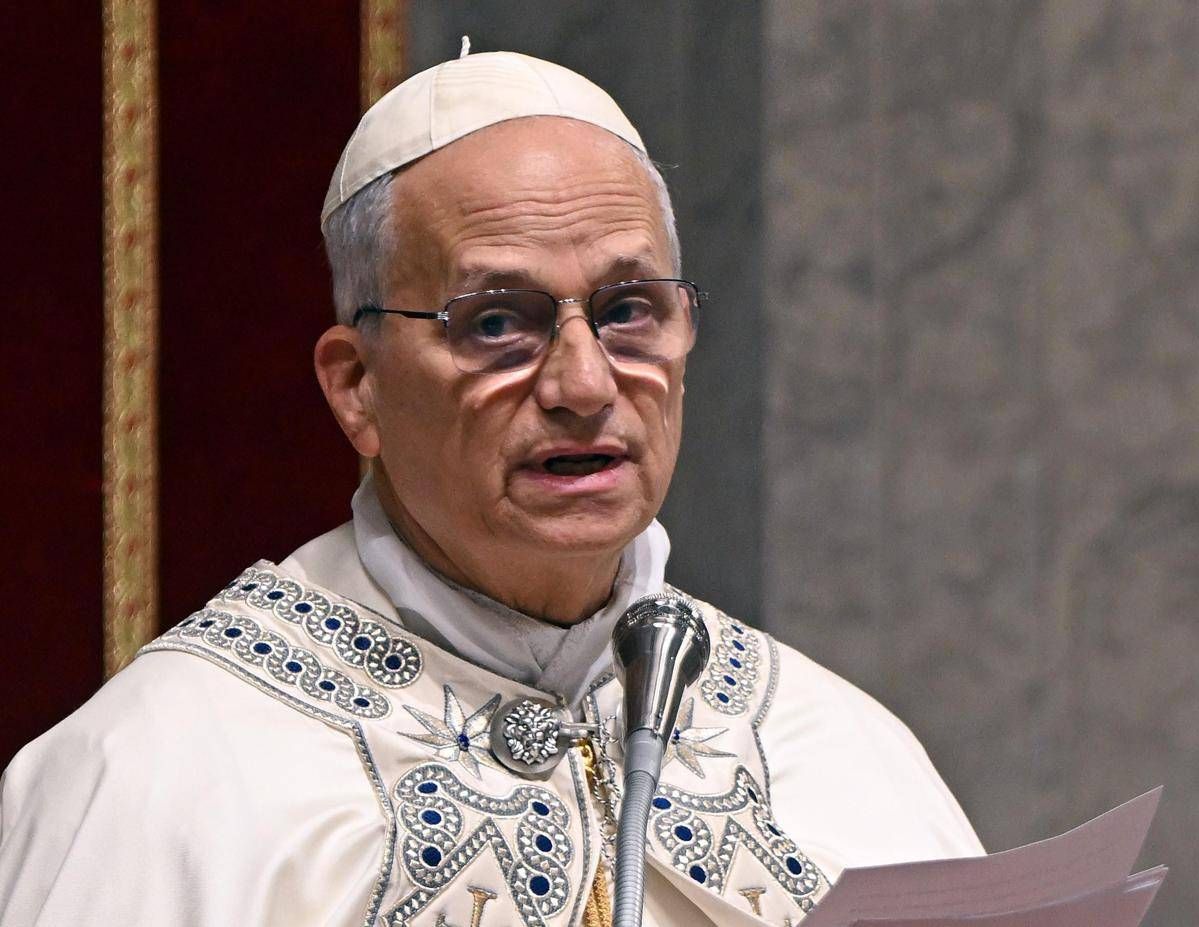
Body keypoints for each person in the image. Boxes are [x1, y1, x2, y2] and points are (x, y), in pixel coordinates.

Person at [0, 50, 983, 927]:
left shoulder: (834, 749)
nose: (583, 385)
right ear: (357, 385)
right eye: (497, 323)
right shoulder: (164, 775)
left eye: (628, 310)